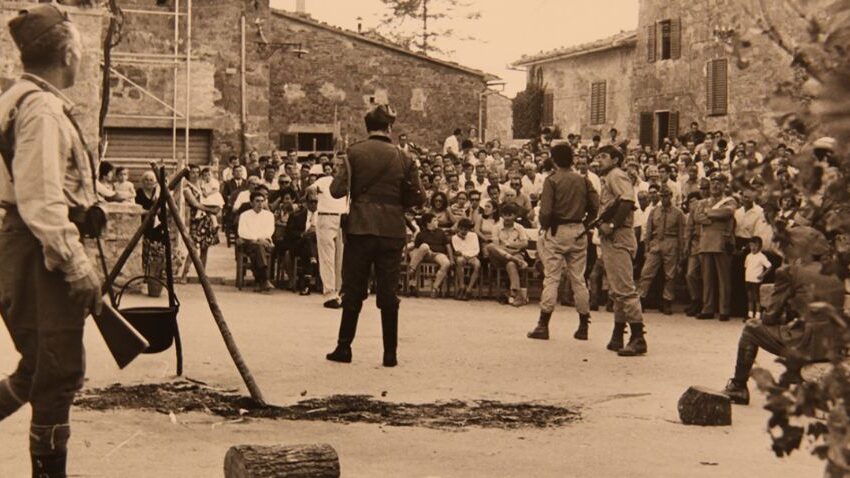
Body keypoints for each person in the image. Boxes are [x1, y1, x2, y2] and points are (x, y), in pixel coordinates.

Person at [0, 5, 103, 476]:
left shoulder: (20, 98)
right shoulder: (40, 108)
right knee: (57, 372)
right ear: (67, 53)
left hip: (23, 245)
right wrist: (76, 264)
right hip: (36, 248)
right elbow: (41, 200)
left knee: (40, 364)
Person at [325, 104, 426, 367]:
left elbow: (336, 191)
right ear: (390, 127)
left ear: (367, 127)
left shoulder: (354, 152)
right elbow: (419, 196)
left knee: (353, 289)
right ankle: (389, 354)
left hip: (359, 229)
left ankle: (344, 348)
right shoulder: (405, 157)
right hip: (392, 231)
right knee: (389, 292)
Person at [723, 230, 844, 405]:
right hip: (832, 344)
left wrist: (774, 314)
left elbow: (771, 316)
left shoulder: (790, 272)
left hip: (806, 342)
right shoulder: (836, 273)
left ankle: (738, 386)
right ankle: (796, 378)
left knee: (751, 328)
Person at [527, 143, 599, 341]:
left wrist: (545, 225)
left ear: (555, 159)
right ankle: (584, 324)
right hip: (578, 229)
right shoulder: (583, 180)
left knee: (552, 277)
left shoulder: (552, 180)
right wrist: (585, 222)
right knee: (579, 278)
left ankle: (543, 324)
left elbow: (546, 211)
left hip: (557, 230)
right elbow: (595, 206)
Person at [594, 145, 647, 356]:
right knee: (617, 290)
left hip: (619, 236)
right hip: (613, 238)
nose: (599, 160)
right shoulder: (609, 177)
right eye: (598, 157)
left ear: (616, 160)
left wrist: (612, 225)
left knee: (625, 289)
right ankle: (618, 334)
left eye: (604, 156)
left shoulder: (616, 175)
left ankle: (638, 337)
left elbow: (627, 201)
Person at [694, 172, 737, 321]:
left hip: (721, 242)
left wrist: (708, 213)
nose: (715, 185)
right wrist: (713, 215)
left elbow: (727, 213)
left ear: (725, 185)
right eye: (713, 183)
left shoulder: (729, 201)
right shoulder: (702, 202)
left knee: (723, 278)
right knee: (707, 278)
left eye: (719, 182)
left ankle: (724, 310)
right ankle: (708, 308)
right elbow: (697, 217)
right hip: (706, 241)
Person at [637, 185, 685, 315]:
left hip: (671, 241)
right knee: (647, 272)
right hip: (656, 241)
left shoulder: (678, 213)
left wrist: (681, 252)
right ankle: (641, 298)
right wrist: (647, 248)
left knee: (670, 275)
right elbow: (648, 231)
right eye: (662, 196)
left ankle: (667, 301)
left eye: (667, 195)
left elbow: (682, 234)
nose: (664, 198)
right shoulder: (654, 211)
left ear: (671, 196)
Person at [307, 158, 348, 309]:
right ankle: (329, 294)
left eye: (341, 166)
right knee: (327, 257)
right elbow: (311, 189)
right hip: (326, 217)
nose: (337, 168)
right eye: (335, 165)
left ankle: (338, 292)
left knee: (340, 259)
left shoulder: (348, 182)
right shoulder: (324, 180)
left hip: (343, 219)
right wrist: (312, 194)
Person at [485, 203, 530, 306]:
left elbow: (525, 243)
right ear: (501, 215)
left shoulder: (519, 227)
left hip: (516, 254)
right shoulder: (496, 227)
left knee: (510, 264)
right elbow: (496, 245)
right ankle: (515, 260)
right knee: (490, 247)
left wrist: (510, 245)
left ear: (515, 216)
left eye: (510, 215)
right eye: (505, 215)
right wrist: (510, 250)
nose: (507, 217)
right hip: (500, 257)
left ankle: (515, 294)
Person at [135, 171, 168, 294]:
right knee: (145, 249)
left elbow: (163, 206)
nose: (149, 182)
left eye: (151, 179)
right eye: (146, 179)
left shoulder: (157, 192)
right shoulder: (138, 193)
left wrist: (158, 211)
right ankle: (145, 275)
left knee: (156, 250)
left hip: (157, 224)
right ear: (143, 181)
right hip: (144, 223)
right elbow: (137, 208)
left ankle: (154, 276)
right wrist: (148, 212)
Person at [407, 212, 453, 297]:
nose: (437, 222)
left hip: (438, 254)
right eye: (435, 220)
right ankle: (412, 269)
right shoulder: (421, 234)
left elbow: (448, 246)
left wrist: (451, 259)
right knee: (424, 246)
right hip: (426, 254)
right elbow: (416, 250)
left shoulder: (441, 232)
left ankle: (435, 288)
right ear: (428, 223)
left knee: (446, 263)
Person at [238, 191, 275, 293]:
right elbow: (242, 232)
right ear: (251, 203)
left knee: (257, 250)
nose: (260, 204)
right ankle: (265, 279)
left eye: (262, 201)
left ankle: (259, 281)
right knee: (257, 248)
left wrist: (261, 240)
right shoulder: (244, 215)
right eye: (257, 201)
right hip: (249, 242)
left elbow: (270, 231)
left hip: (265, 243)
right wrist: (257, 239)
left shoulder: (269, 215)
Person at [452, 217, 480, 300]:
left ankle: (469, 289)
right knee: (459, 261)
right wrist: (464, 255)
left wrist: (470, 255)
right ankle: (462, 285)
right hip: (462, 256)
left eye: (466, 229)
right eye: (462, 229)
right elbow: (458, 250)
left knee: (477, 265)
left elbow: (476, 249)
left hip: (472, 256)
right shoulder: (454, 237)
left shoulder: (473, 235)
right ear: (459, 228)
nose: (464, 231)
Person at [744, 236, 772, 319]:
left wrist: (762, 275)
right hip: (748, 279)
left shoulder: (761, 257)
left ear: (760, 246)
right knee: (750, 297)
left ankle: (757, 315)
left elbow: (769, 266)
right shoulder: (748, 256)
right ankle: (750, 315)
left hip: (756, 281)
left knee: (757, 298)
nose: (753, 248)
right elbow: (746, 266)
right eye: (751, 245)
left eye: (755, 245)